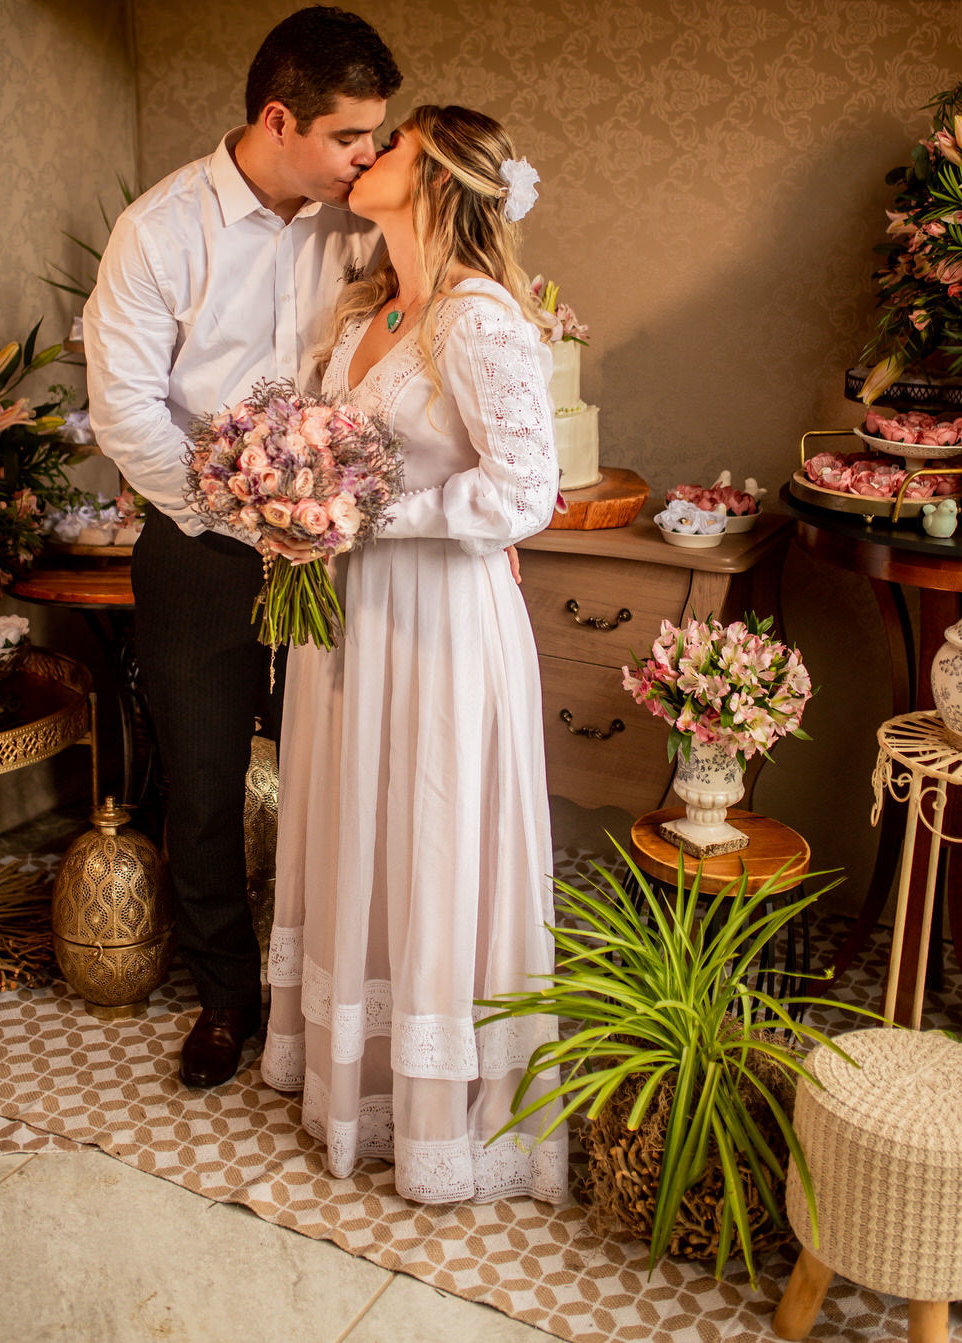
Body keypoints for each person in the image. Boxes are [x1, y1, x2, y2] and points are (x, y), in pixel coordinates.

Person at [83, 9, 401, 1089]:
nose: (370, 158)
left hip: (336, 551)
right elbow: (125, 412)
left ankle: (322, 996)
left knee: (330, 775)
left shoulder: (361, 222)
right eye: (352, 137)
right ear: (280, 118)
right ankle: (226, 996)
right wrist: (243, 514)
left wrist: (322, 511)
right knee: (207, 777)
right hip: (196, 546)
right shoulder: (159, 229)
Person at [259, 105, 569, 1205]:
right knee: (357, 825)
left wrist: (363, 519)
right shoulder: (367, 309)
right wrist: (289, 502)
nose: (365, 157)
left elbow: (528, 490)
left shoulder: (479, 320)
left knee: (431, 830)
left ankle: (447, 1115)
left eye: (387, 147)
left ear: (433, 177)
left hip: (438, 624)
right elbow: (333, 457)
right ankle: (362, 1080)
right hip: (351, 622)